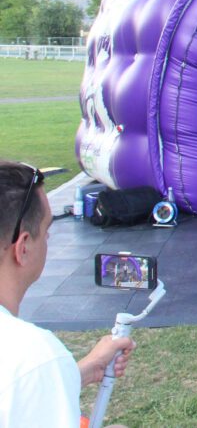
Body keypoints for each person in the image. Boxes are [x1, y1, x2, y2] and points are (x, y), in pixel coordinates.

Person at [0, 160, 135, 426]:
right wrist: (49, 370)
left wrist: (76, 373)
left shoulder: (33, 364)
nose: (49, 240)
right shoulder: (33, 356)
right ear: (23, 246)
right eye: (47, 231)